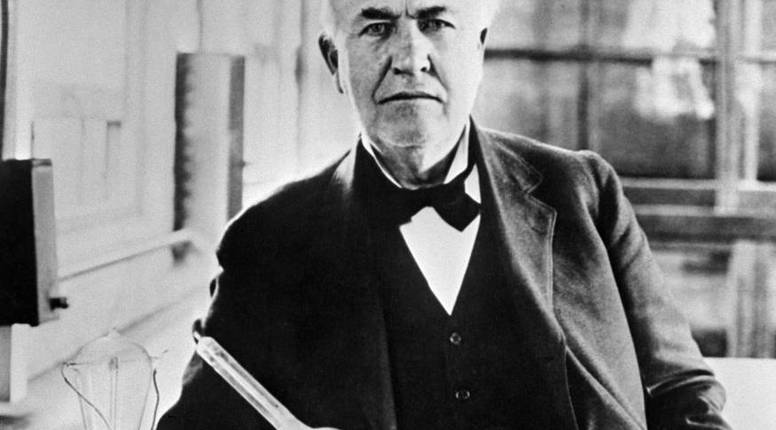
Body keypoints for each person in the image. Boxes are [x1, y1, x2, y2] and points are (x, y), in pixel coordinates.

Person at [159, 0, 732, 428]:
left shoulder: (583, 192)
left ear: (478, 49)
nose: (410, 58)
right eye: (378, 27)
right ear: (335, 60)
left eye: (434, 23)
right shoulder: (268, 240)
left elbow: (682, 392)